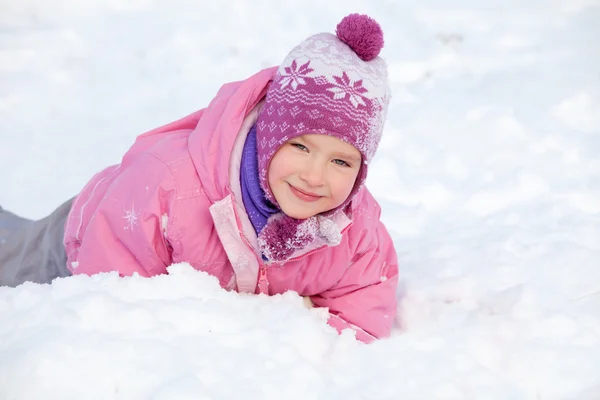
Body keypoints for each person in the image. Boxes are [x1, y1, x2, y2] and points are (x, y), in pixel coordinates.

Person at [0, 13, 398, 343]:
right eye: (300, 147)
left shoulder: (355, 231)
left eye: (341, 163)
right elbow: (111, 304)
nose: (315, 176)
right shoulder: (168, 187)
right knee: (9, 261)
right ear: (269, 136)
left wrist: (301, 337)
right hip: (87, 237)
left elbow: (362, 316)